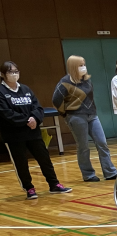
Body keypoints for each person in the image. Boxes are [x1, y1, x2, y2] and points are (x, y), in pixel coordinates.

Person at [0, 61, 71, 198]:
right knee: (21, 163)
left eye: (16, 71)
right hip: (14, 135)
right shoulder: (1, 92)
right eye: (10, 72)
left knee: (44, 158)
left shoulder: (26, 89)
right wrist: (26, 120)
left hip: (33, 132)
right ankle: (29, 188)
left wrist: (35, 119)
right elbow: (5, 113)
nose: (14, 74)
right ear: (2, 75)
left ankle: (54, 184)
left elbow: (37, 107)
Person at [52, 55, 117, 182]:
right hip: (76, 117)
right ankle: (88, 174)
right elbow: (56, 100)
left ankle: (110, 172)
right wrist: (65, 114)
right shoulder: (65, 82)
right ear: (73, 67)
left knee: (102, 142)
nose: (83, 67)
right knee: (83, 146)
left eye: (84, 64)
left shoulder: (86, 80)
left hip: (92, 115)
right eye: (80, 65)